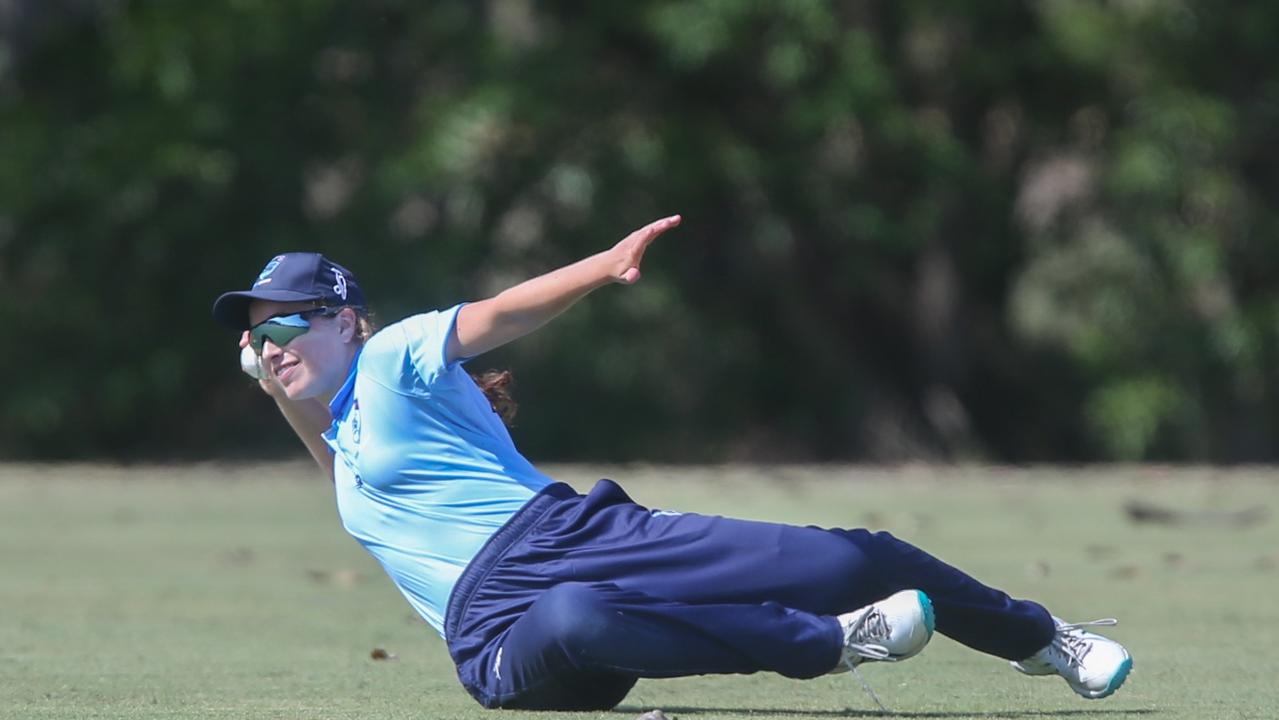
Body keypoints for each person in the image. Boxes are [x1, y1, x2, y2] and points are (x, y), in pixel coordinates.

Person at [212, 215, 1132, 711]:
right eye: (258, 338)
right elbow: (326, 451)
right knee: (577, 616)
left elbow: (499, 313)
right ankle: (832, 645)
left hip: (574, 532)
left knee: (851, 558)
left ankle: (1043, 639)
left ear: (343, 320)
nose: (270, 346)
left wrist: (599, 266)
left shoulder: (394, 356)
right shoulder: (342, 442)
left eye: (285, 326)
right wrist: (271, 383)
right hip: (502, 641)